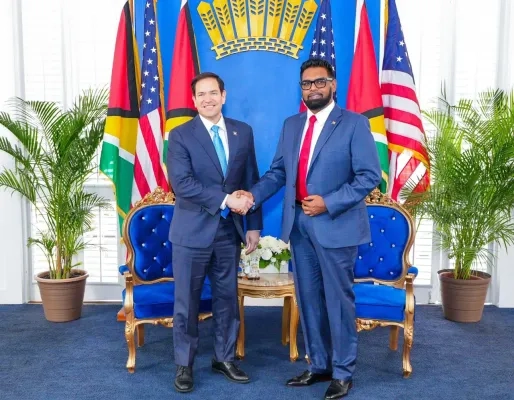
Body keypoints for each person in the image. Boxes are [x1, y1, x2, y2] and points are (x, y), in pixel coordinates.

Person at [235, 59, 381, 399]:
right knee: (309, 299)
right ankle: (319, 365)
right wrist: (251, 196)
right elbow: (278, 173)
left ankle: (343, 372)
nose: (313, 88)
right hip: (299, 226)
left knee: (338, 302)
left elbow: (369, 176)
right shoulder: (292, 125)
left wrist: (328, 202)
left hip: (337, 226)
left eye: (319, 82)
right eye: (306, 83)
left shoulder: (354, 124)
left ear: (333, 84)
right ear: (300, 88)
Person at [167, 72, 261, 393]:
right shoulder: (180, 135)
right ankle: (184, 364)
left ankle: (224, 358)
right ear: (194, 100)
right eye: (201, 94)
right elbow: (182, 184)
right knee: (187, 303)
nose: (207, 99)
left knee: (226, 300)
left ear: (224, 95)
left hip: (228, 232)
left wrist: (254, 225)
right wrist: (225, 200)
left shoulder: (242, 132)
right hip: (191, 233)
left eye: (213, 93)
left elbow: (250, 179)